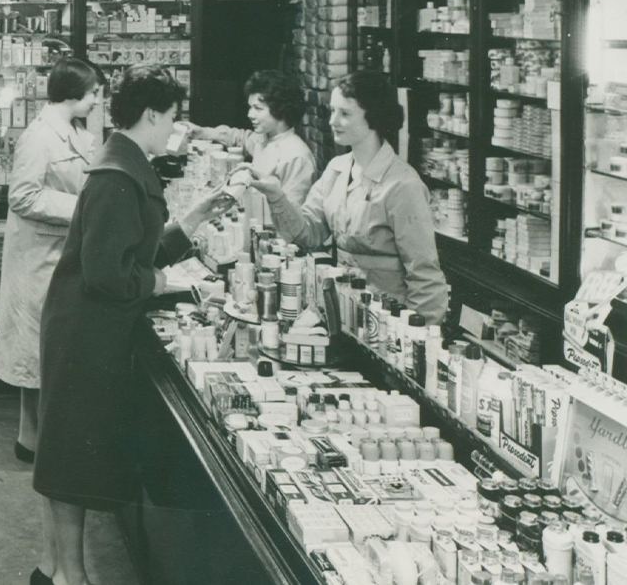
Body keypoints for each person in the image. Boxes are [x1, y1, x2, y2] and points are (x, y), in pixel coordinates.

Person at [33, 65, 234, 585]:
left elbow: (134, 250)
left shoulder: (126, 163)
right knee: (70, 455)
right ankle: (68, 577)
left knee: (70, 451)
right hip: (84, 333)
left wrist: (196, 219)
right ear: (151, 113)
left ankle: (56, 570)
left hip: (89, 328)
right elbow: (108, 274)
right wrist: (165, 283)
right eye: (172, 116)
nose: (175, 127)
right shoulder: (117, 176)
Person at [239, 70, 449, 323]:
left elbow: (425, 277)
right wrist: (276, 195)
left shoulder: (403, 186)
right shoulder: (337, 169)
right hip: (344, 314)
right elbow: (307, 234)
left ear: (373, 117)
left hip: (387, 326)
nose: (333, 121)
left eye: (345, 114)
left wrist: (417, 339)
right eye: (333, 111)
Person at [0, 58, 105, 469]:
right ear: (73, 92)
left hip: (59, 255)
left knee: (46, 355)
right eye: (93, 92)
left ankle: (36, 439)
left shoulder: (76, 132)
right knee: (38, 355)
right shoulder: (39, 137)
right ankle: (33, 441)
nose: (97, 100)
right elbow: (22, 196)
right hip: (38, 260)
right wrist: (83, 207)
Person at [189, 69, 318, 206]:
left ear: (280, 109)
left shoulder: (298, 157)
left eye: (258, 108)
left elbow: (294, 215)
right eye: (250, 107)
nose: (250, 114)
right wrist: (201, 132)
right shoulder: (264, 137)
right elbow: (240, 137)